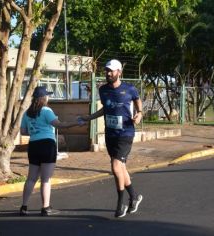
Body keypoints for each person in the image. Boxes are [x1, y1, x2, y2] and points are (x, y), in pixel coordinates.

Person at [80, 59, 143, 218]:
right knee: (121, 168)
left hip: (126, 133)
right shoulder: (103, 90)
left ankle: (120, 203)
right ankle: (134, 197)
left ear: (119, 72)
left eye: (112, 70)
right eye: (107, 70)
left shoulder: (129, 89)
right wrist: (90, 117)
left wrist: (140, 113)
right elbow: (105, 109)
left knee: (115, 166)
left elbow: (137, 101)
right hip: (110, 134)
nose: (108, 73)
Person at [19, 86, 84, 216]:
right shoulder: (47, 110)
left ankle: (24, 207)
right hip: (47, 145)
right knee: (45, 179)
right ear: (44, 98)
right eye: (47, 95)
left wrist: (35, 130)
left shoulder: (27, 113)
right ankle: (46, 208)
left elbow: (23, 131)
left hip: (33, 145)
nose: (48, 97)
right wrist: (76, 124)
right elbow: (59, 124)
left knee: (31, 178)